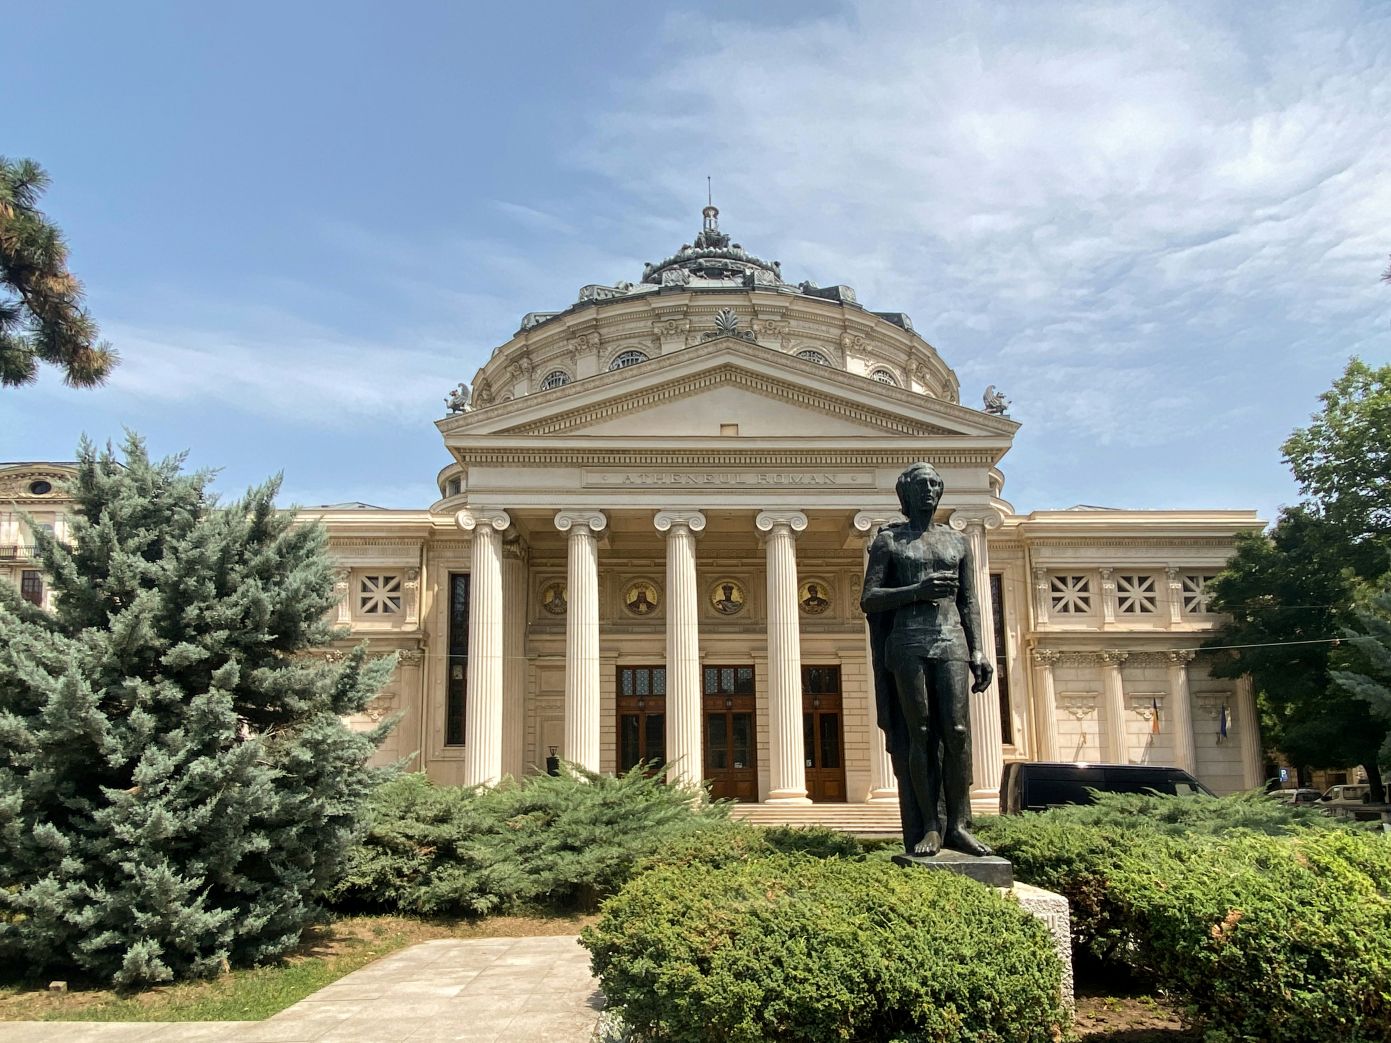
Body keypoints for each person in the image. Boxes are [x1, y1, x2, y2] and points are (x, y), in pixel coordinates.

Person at [861, 462, 994, 857]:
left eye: (936, 484)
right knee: (917, 732)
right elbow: (870, 599)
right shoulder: (890, 542)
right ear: (905, 493)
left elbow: (969, 601)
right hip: (907, 643)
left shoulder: (957, 542)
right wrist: (917, 589)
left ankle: (959, 824)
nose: (930, 491)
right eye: (921, 485)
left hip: (950, 639)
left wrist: (979, 649)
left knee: (956, 731)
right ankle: (930, 826)